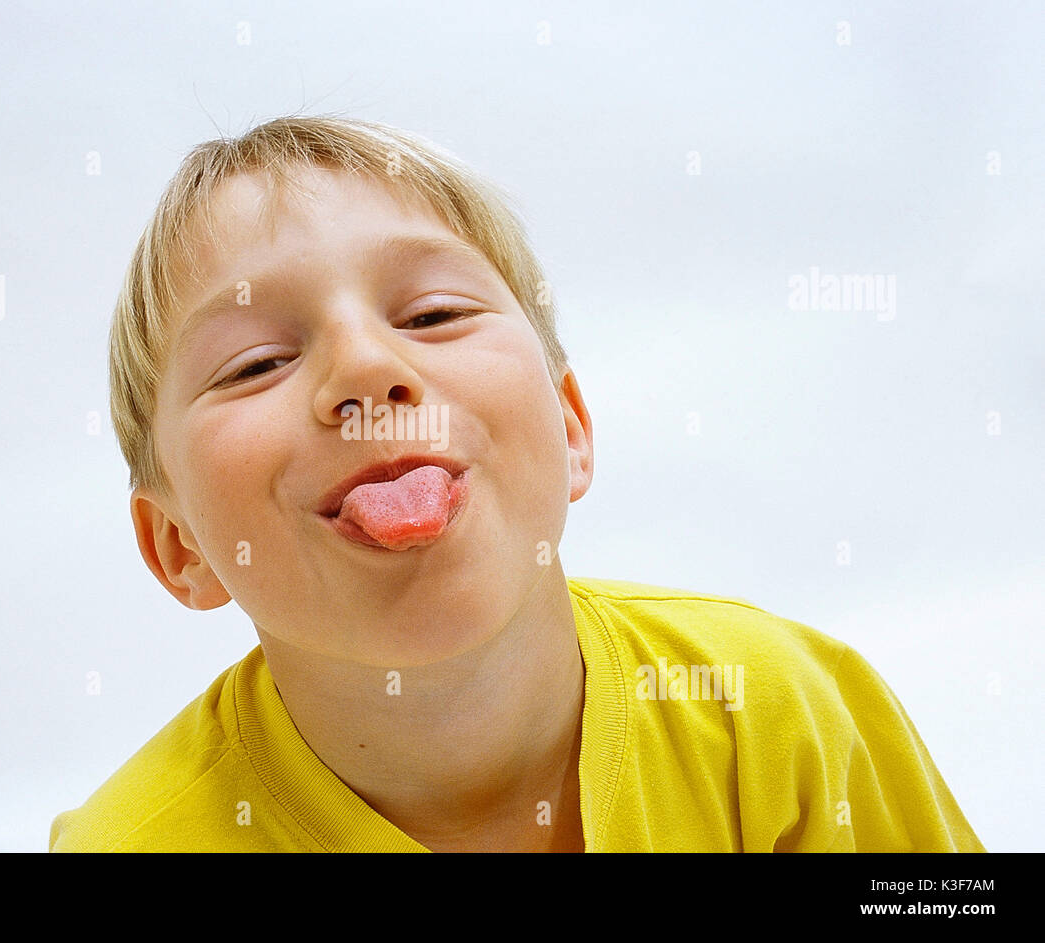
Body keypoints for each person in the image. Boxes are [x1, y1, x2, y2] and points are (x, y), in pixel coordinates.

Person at [49, 115, 984, 852]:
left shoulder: (778, 712)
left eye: (435, 311)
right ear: (181, 547)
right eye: (254, 363)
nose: (367, 370)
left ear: (571, 427)